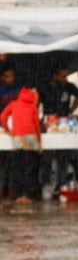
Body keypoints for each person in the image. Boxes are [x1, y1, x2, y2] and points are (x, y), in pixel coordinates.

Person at [38, 66, 78, 198]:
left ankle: (61, 185)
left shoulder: (68, 86)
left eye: (66, 76)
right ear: (55, 76)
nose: (65, 79)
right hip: (49, 123)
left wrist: (71, 109)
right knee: (48, 156)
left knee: (63, 155)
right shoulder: (45, 87)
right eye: (62, 76)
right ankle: (45, 184)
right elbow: (37, 103)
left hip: (65, 124)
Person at [0, 88, 42, 204]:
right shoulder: (33, 107)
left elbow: (2, 117)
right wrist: (39, 144)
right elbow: (37, 126)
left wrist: (8, 130)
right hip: (31, 138)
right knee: (30, 168)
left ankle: (19, 195)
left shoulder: (13, 104)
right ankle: (28, 195)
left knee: (19, 167)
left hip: (18, 138)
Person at [0, 63, 22, 200]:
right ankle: (2, 190)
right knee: (2, 162)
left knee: (13, 161)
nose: (10, 79)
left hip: (15, 127)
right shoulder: (1, 90)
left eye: (12, 76)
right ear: (2, 77)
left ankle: (12, 190)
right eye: (7, 76)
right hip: (2, 128)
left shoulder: (19, 89)